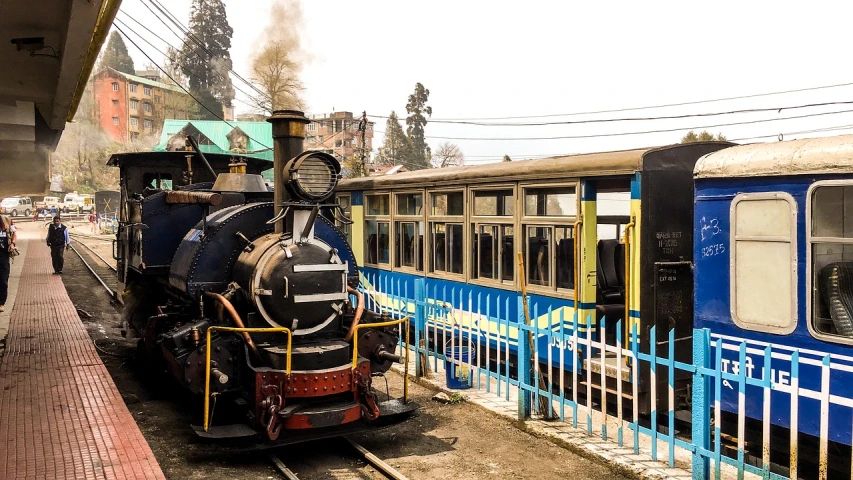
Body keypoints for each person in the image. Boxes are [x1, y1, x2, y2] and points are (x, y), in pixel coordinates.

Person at [0, 214, 17, 312]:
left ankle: (1, 303)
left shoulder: (6, 220)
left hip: (3, 255)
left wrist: (12, 243)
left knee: (3, 279)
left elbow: (14, 233)